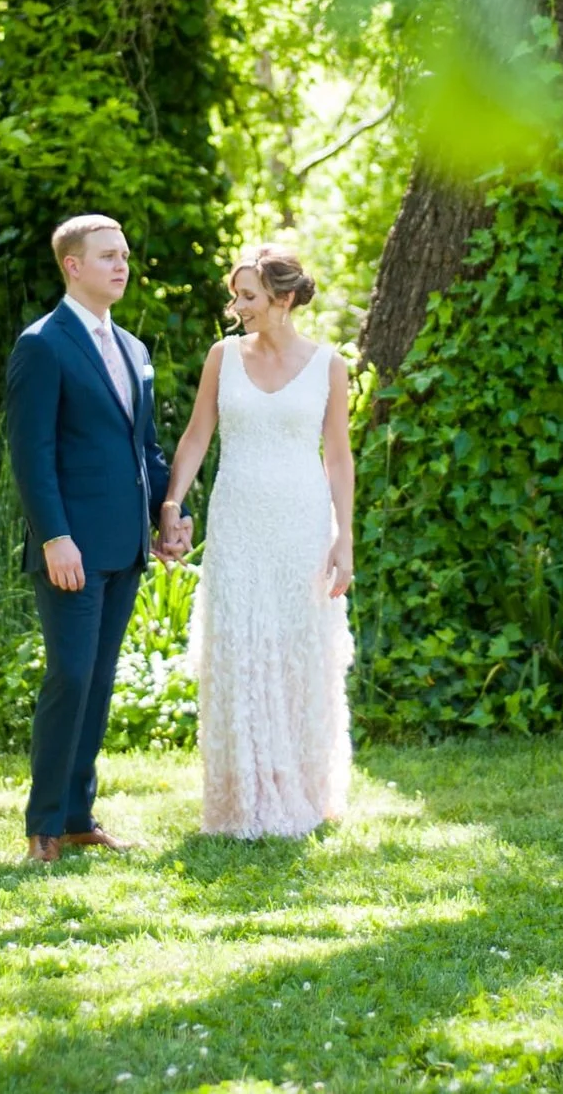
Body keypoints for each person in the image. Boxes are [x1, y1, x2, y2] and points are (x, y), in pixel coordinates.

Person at [5, 214, 193, 864]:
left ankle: (80, 816)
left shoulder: (135, 349)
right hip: (70, 548)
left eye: (126, 255)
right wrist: (54, 535)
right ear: (72, 266)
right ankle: (44, 827)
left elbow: (143, 446)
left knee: (101, 680)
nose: (122, 265)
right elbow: (31, 454)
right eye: (108, 255)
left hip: (125, 545)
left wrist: (169, 511)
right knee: (71, 674)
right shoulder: (43, 344)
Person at [164, 242, 354, 839]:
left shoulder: (329, 365)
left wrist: (344, 536)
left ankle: (304, 789)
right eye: (237, 293)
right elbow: (197, 436)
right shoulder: (222, 356)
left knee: (299, 653)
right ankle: (241, 798)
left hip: (302, 523)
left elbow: (339, 456)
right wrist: (172, 501)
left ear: (285, 298)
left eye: (248, 295)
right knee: (242, 650)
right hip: (238, 521)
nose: (236, 304)